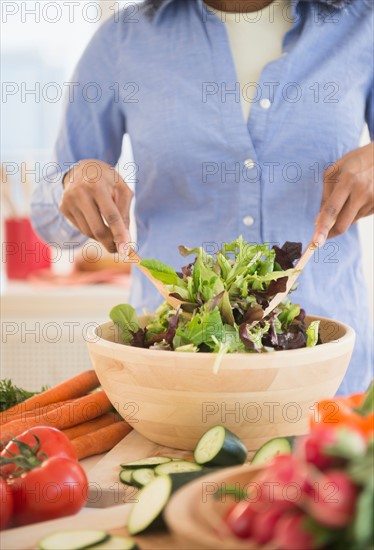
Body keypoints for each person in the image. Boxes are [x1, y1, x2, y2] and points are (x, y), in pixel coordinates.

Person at [31, 0, 373, 395]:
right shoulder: (124, 38)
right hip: (172, 378)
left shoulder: (362, 24)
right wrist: (75, 182)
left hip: (328, 376)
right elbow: (49, 212)